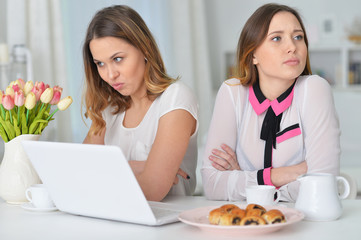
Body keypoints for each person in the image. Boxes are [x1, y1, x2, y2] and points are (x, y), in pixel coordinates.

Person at [201, 3, 340, 202]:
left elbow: (322, 185)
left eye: (298, 37)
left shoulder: (315, 89)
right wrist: (283, 175)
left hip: (304, 225)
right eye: (277, 38)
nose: (292, 47)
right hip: (246, 225)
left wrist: (244, 179)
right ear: (253, 54)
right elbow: (212, 185)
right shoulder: (232, 92)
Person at [82, 5, 198, 201]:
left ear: (144, 49)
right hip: (115, 219)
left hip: (168, 226)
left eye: (117, 59)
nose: (110, 74)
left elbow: (152, 190)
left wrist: (103, 170)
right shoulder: (109, 109)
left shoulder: (175, 97)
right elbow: (78, 171)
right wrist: (138, 166)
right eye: (100, 64)